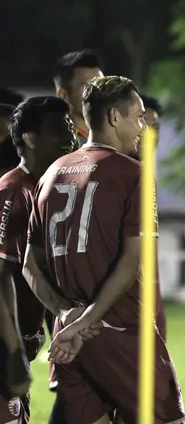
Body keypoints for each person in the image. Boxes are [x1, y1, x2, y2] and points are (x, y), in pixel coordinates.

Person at [24, 76, 185, 424]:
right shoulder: (134, 175)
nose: (144, 127)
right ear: (114, 117)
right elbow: (130, 265)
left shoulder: (50, 174)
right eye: (139, 117)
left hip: (75, 339)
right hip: (121, 331)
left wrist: (66, 314)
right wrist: (84, 321)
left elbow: (29, 266)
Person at [0, 96, 76, 424]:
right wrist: (14, 349)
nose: (71, 137)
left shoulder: (48, 188)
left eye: (71, 127)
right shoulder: (14, 191)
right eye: (60, 129)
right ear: (30, 139)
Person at [53, 50, 105, 145]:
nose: (98, 92)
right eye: (88, 86)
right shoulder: (59, 146)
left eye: (102, 84)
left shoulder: (119, 138)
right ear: (62, 95)